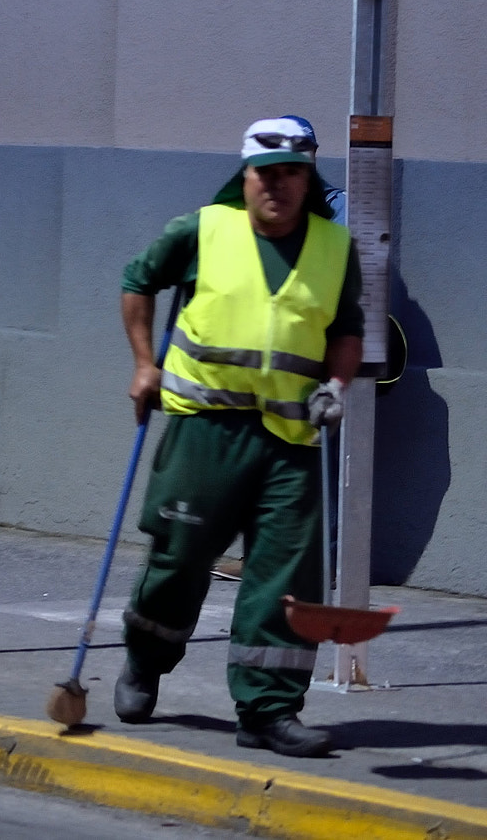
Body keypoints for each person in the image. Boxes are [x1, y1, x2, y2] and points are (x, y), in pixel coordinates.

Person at [115, 117, 364, 758]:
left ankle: (267, 711)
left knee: (285, 577)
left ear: (309, 179)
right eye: (267, 173)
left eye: (293, 173)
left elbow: (346, 328)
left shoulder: (336, 248)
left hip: (290, 438)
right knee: (178, 558)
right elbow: (138, 281)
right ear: (246, 176)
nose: (278, 185)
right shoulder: (201, 229)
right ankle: (146, 659)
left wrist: (336, 386)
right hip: (207, 429)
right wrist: (145, 363)